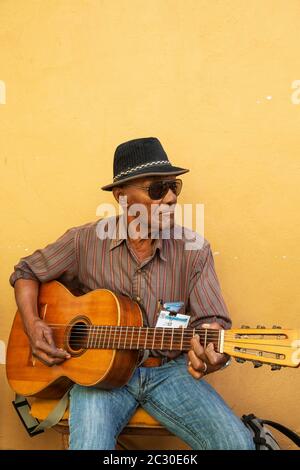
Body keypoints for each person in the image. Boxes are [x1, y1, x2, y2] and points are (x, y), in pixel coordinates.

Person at [9, 137, 255, 450]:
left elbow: (212, 321)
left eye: (173, 187)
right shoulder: (84, 241)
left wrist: (212, 353)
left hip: (169, 372)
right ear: (122, 197)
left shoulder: (194, 251)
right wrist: (32, 323)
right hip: (102, 378)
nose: (169, 198)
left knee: (237, 445)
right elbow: (26, 273)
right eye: (156, 189)